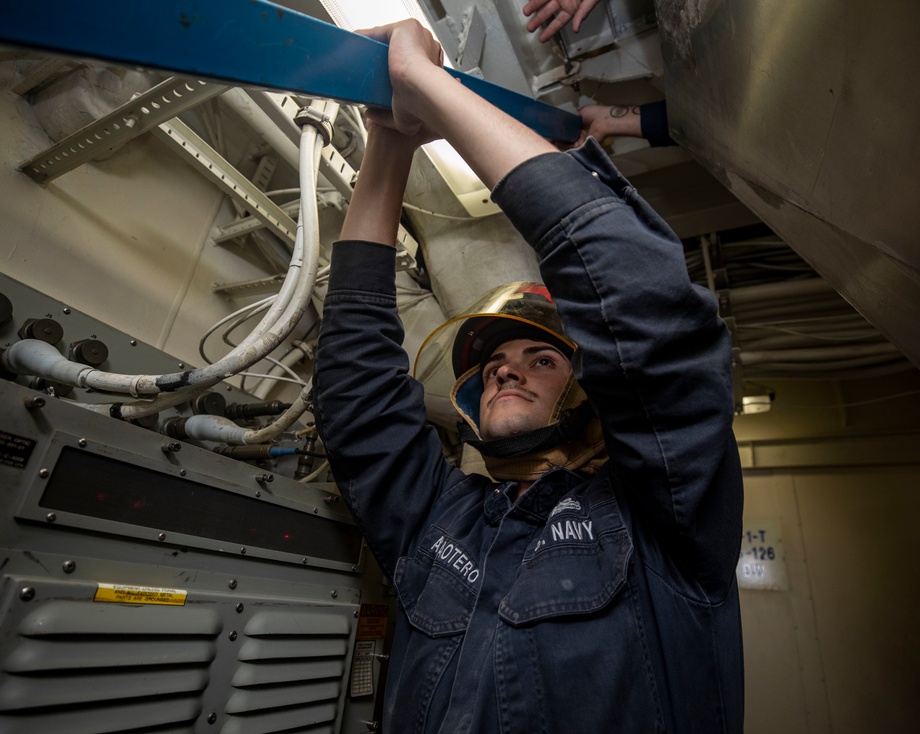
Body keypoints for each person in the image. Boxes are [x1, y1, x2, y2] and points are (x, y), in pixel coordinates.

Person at [313, 19, 744, 734]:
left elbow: (640, 297)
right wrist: (390, 141)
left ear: (593, 395)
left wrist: (427, 83)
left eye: (540, 359)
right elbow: (356, 396)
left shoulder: (667, 524)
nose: (504, 369)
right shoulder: (441, 520)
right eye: (493, 365)